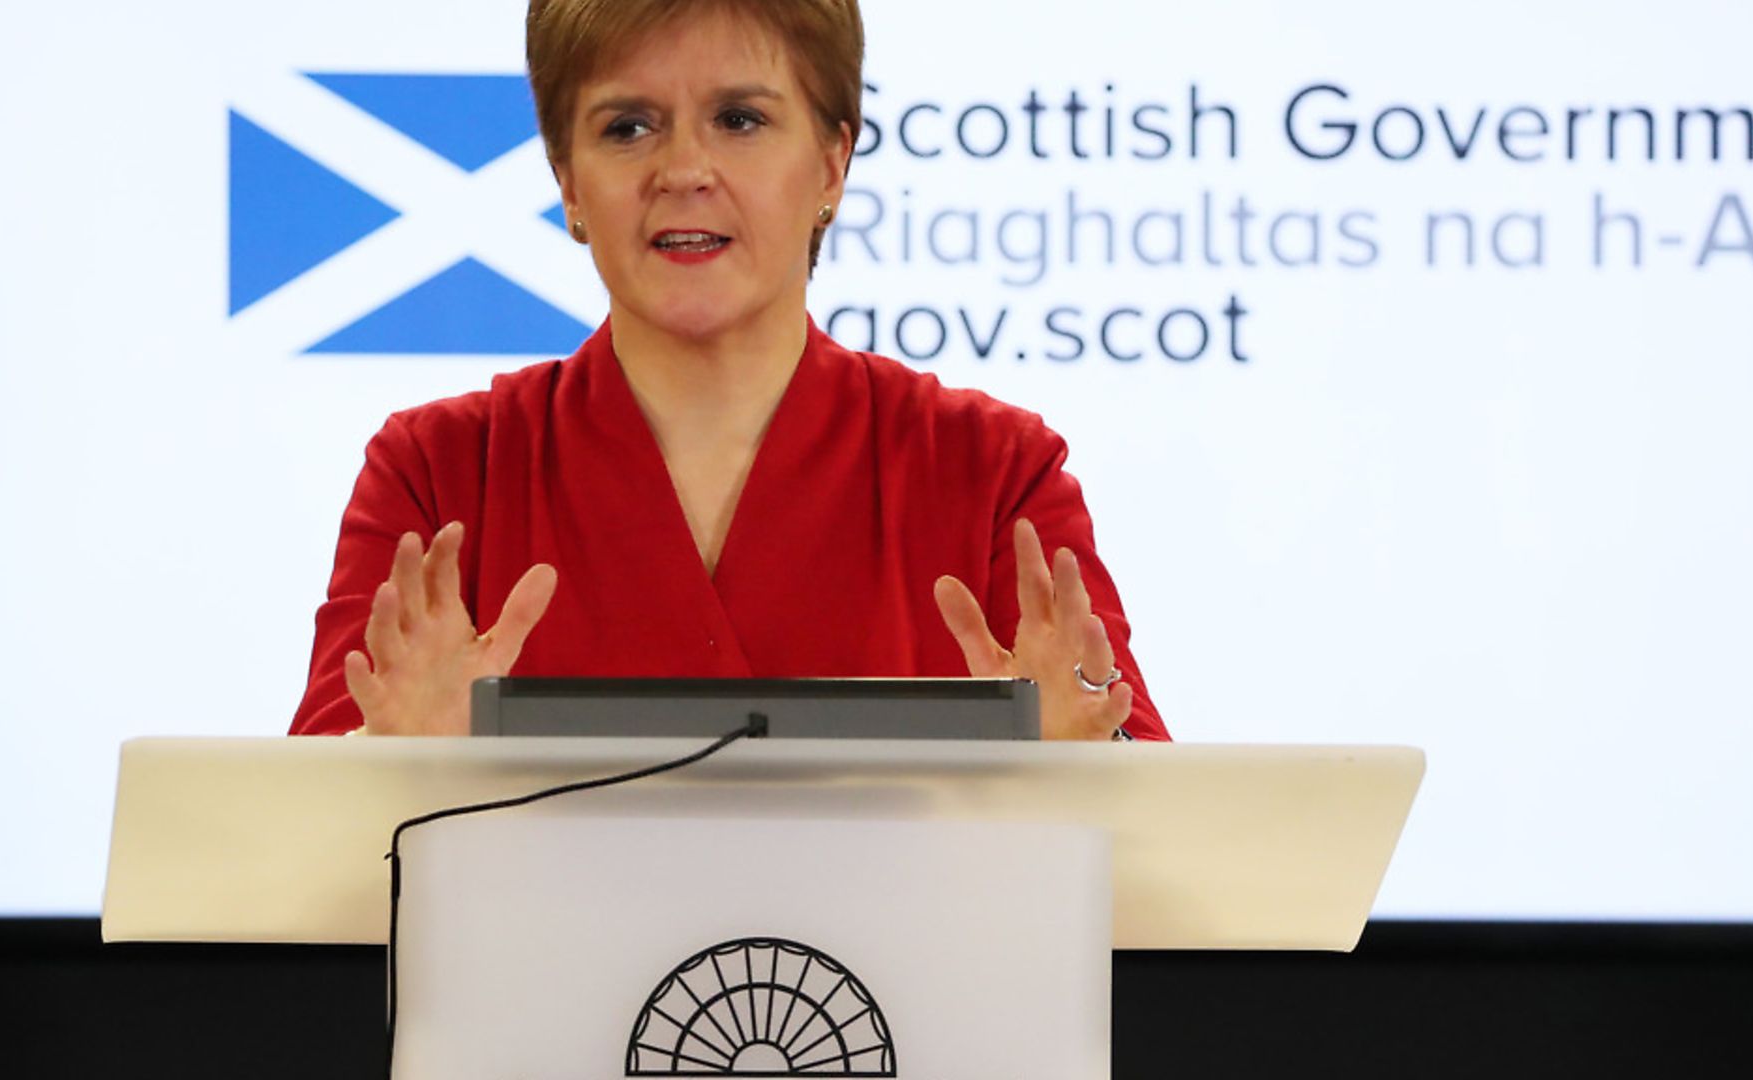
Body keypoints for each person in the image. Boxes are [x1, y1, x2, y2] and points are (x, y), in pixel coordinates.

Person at [290, 0, 1169, 741]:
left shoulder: (992, 470)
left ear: (831, 162)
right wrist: (393, 763)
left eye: (739, 120)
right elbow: (283, 863)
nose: (683, 171)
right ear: (567, 180)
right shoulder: (439, 471)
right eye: (627, 127)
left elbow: (1163, 841)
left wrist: (1077, 766)